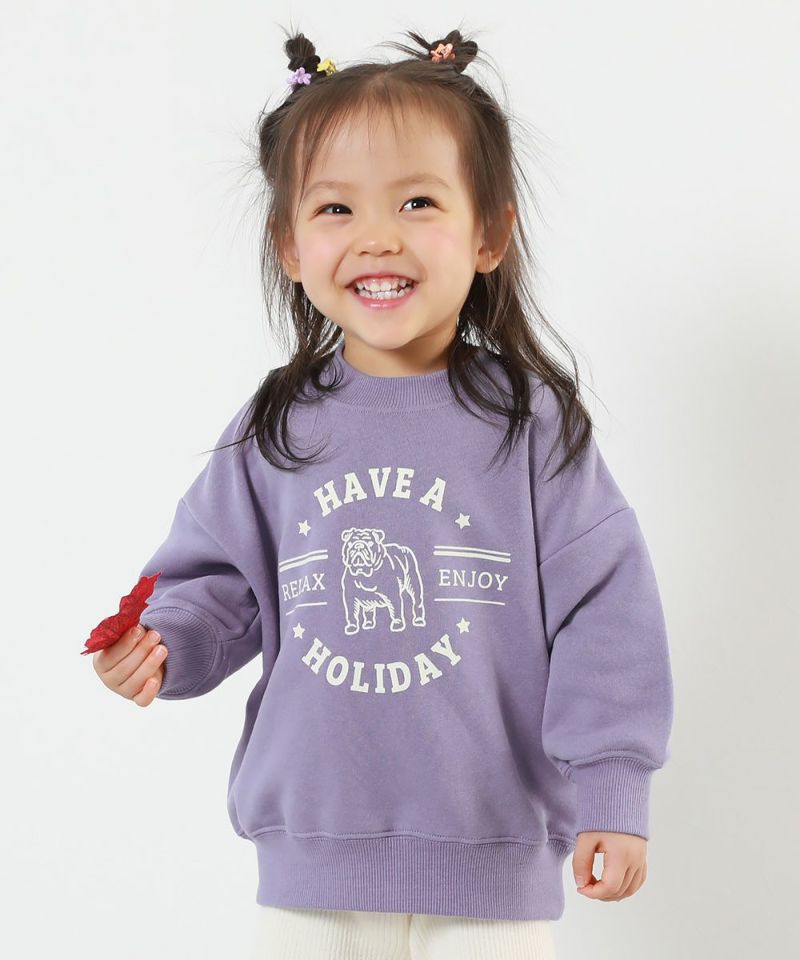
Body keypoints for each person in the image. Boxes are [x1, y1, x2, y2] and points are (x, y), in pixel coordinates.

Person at [92, 24, 674, 960]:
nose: (376, 237)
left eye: (417, 201)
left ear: (489, 233)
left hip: (492, 870)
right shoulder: (276, 426)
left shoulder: (530, 423)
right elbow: (216, 583)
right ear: (289, 244)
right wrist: (164, 644)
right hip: (309, 871)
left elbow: (607, 613)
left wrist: (613, 785)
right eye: (336, 208)